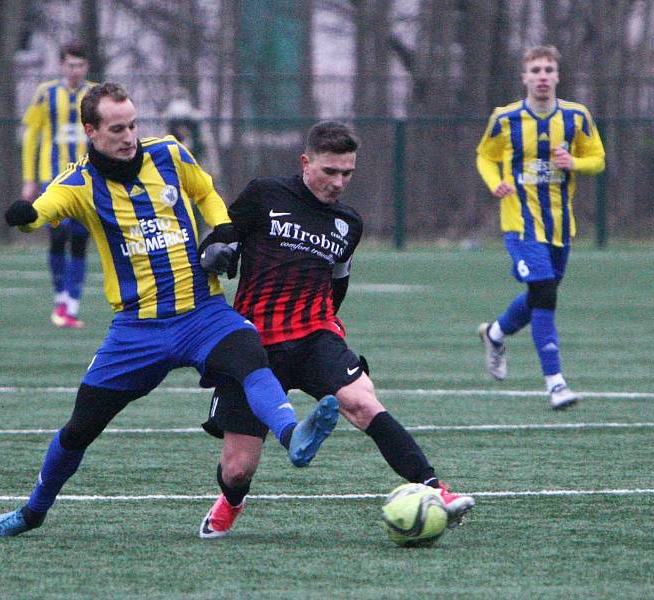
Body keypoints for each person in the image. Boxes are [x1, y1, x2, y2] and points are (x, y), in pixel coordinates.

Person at [0, 83, 339, 538]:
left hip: (202, 312)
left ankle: (293, 435)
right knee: (81, 426)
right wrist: (24, 216)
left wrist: (223, 233)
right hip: (138, 329)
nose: (128, 136)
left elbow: (205, 192)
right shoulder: (80, 183)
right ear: (91, 130)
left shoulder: (169, 153)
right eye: (116, 128)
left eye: (132, 125)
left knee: (248, 350)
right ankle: (32, 512)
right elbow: (43, 211)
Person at [197, 121, 475, 539]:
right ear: (306, 163)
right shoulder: (264, 195)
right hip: (252, 343)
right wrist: (215, 254)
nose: (339, 182)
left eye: (347, 173)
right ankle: (232, 501)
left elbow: (338, 281)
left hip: (314, 336)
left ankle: (437, 490)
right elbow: (221, 239)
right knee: (237, 469)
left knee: (361, 401)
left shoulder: (349, 223)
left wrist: (329, 331)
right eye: (330, 171)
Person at [475, 45, 605, 410]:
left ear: (558, 76)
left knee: (540, 295)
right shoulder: (505, 119)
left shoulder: (577, 117)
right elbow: (484, 155)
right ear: (525, 77)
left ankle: (495, 333)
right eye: (536, 70)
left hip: (561, 227)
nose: (543, 76)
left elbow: (598, 159)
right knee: (545, 292)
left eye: (549, 69)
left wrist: (574, 162)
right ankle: (556, 383)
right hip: (520, 224)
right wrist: (493, 183)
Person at [21, 41, 96, 328]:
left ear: (86, 66)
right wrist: (29, 178)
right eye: (70, 65)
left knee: (79, 240)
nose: (75, 70)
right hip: (52, 178)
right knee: (57, 236)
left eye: (80, 65)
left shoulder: (96, 94)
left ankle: (72, 307)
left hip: (87, 180)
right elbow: (31, 137)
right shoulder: (46, 94)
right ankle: (61, 298)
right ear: (62, 66)